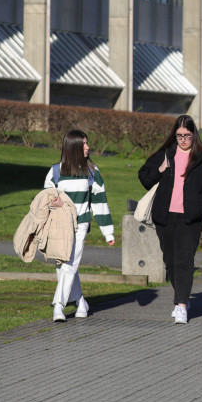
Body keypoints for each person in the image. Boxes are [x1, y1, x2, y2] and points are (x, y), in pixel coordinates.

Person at [138, 115, 202, 324]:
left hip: (190, 219)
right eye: (179, 136)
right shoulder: (165, 154)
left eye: (187, 136)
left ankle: (180, 304)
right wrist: (161, 169)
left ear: (194, 135)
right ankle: (182, 295)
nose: (183, 140)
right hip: (166, 217)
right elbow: (145, 178)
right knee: (170, 262)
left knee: (185, 261)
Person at [44, 130, 114, 322]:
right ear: (73, 147)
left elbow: (100, 203)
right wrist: (52, 203)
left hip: (81, 225)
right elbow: (45, 198)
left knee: (70, 264)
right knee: (63, 265)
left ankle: (58, 306)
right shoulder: (55, 172)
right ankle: (81, 302)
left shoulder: (92, 172)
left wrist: (108, 232)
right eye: (83, 144)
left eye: (87, 143)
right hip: (59, 227)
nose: (88, 147)